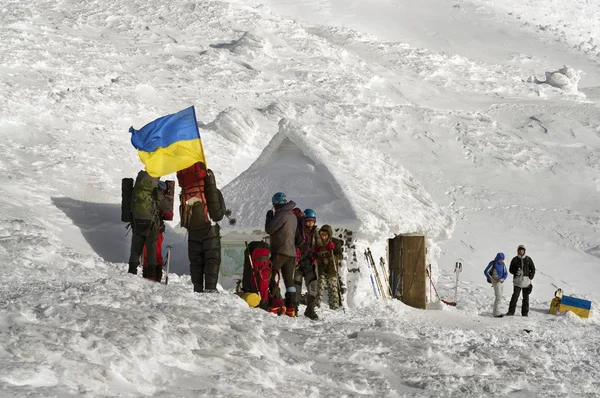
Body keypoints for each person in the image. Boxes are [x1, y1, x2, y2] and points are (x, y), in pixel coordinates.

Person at [178, 162, 227, 293]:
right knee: (212, 259)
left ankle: (197, 289)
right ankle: (210, 289)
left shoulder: (186, 189)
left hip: (192, 230)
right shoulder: (211, 190)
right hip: (209, 229)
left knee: (196, 262)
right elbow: (217, 215)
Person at [128, 170, 172, 280]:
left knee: (135, 249)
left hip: (137, 222)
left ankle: (131, 273)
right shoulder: (155, 190)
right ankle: (151, 276)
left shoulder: (136, 189)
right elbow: (166, 208)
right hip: (152, 224)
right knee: (151, 249)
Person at [265, 192, 300, 316]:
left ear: (275, 204)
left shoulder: (281, 214)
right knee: (289, 281)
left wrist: (269, 217)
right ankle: (291, 308)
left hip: (280, 251)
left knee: (268, 275)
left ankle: (276, 302)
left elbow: (269, 229)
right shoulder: (293, 215)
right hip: (291, 253)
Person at [141, 180, 173, 282]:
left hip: (143, 228)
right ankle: (156, 277)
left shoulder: (145, 192)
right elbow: (168, 214)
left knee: (146, 254)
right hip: (157, 230)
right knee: (157, 254)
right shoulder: (160, 194)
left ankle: (148, 276)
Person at [294, 209, 321, 320]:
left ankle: (310, 310)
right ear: (304, 220)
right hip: (298, 263)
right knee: (296, 286)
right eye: (308, 221)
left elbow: (319, 245)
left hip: (310, 263)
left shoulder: (316, 232)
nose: (310, 223)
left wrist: (321, 251)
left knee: (313, 287)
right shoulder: (298, 231)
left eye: (312, 221)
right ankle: (293, 309)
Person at [314, 225, 344, 310]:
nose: (323, 236)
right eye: (321, 234)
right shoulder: (318, 242)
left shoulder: (335, 242)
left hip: (332, 270)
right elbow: (316, 253)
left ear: (329, 234)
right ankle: (316, 307)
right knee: (319, 288)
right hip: (322, 269)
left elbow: (340, 256)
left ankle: (334, 309)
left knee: (333, 290)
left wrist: (330, 258)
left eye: (325, 235)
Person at [507, 245, 536, 317]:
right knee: (515, 296)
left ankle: (525, 313)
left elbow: (533, 269)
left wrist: (531, 277)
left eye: (522, 250)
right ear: (518, 251)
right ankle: (511, 311)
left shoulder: (528, 259)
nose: (521, 251)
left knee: (526, 298)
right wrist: (515, 271)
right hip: (517, 281)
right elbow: (510, 269)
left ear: (524, 251)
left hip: (526, 281)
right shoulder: (515, 259)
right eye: (520, 250)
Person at [484, 252, 508, 318]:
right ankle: (496, 313)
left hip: (501, 282)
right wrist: (491, 279)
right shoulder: (493, 263)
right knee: (498, 296)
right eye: (500, 259)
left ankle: (496, 311)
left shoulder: (503, 264)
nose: (501, 260)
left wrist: (503, 278)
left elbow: (506, 273)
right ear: (497, 258)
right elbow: (485, 271)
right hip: (495, 282)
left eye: (502, 259)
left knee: (499, 297)